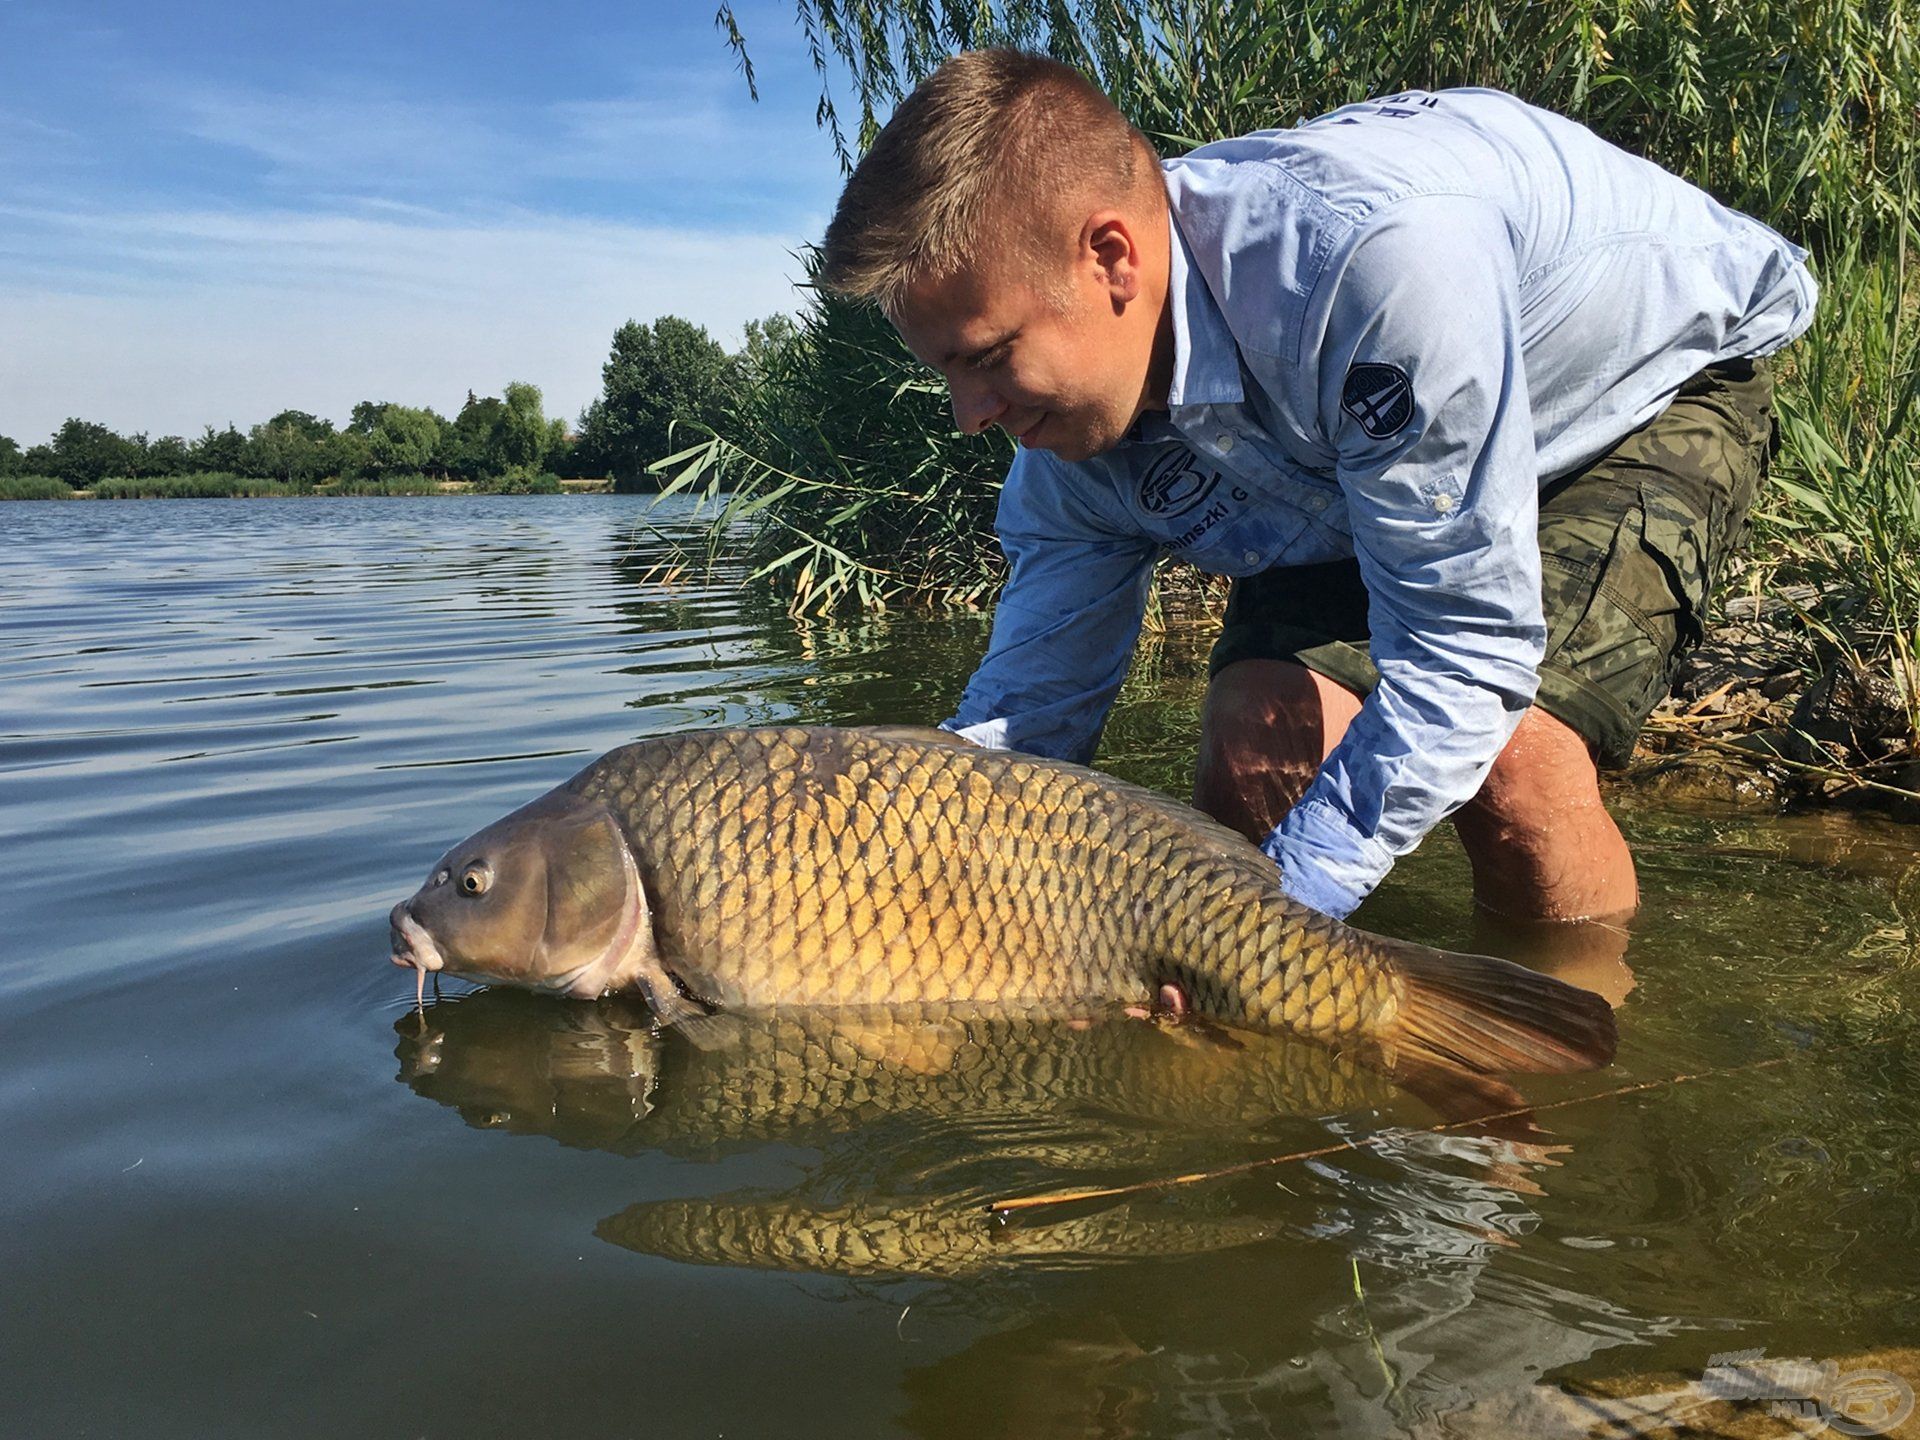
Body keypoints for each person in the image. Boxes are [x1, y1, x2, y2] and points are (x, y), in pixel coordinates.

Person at [817, 50, 1816, 926]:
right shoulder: (1067, 463)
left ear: (1110, 257)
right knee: (1258, 747)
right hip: (1352, 447)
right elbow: (1021, 731)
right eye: (944, 371)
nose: (969, 415)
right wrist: (878, 889)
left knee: (1516, 766)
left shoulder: (1372, 271)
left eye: (987, 356)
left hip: (1637, 387)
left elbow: (1465, 663)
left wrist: (1255, 928)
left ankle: (1555, 1096)